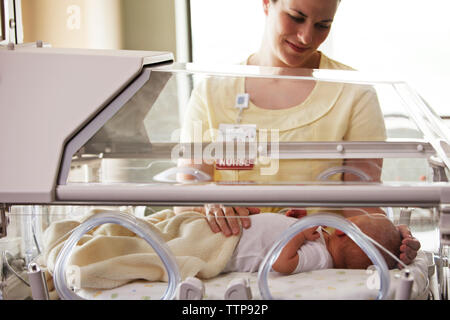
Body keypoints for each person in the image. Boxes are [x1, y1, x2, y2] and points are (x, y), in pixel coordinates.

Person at [175, 0, 420, 268]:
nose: (306, 37)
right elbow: (186, 197)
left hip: (314, 264)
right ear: (267, 3)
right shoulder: (211, 92)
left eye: (322, 25)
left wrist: (386, 236)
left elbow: (361, 202)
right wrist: (208, 203)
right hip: (229, 258)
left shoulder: (353, 92)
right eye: (296, 17)